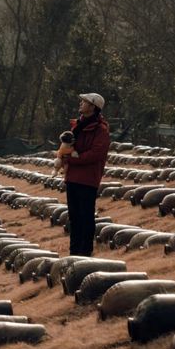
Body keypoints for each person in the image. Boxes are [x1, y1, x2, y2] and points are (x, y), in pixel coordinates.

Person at [63, 92, 110, 256]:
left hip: (87, 180)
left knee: (86, 217)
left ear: (93, 107)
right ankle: (74, 253)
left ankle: (85, 252)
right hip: (72, 178)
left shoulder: (100, 130)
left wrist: (74, 159)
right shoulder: (77, 126)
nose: (81, 104)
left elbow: (96, 154)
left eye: (84, 102)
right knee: (74, 218)